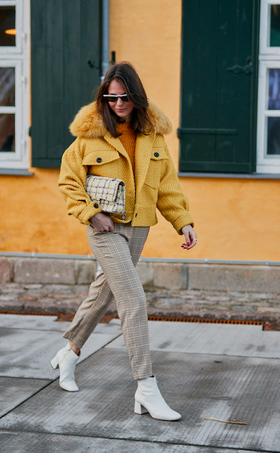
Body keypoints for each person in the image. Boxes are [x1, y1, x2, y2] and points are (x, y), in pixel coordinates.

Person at [51, 62, 197, 421]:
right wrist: (90, 214)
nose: (118, 103)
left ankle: (68, 353)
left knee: (105, 292)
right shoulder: (88, 137)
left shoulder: (153, 137)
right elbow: (69, 182)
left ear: (136, 96)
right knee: (133, 297)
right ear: (104, 97)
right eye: (111, 97)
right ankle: (146, 387)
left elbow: (167, 186)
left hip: (139, 227)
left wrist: (183, 222)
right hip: (104, 228)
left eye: (125, 97)